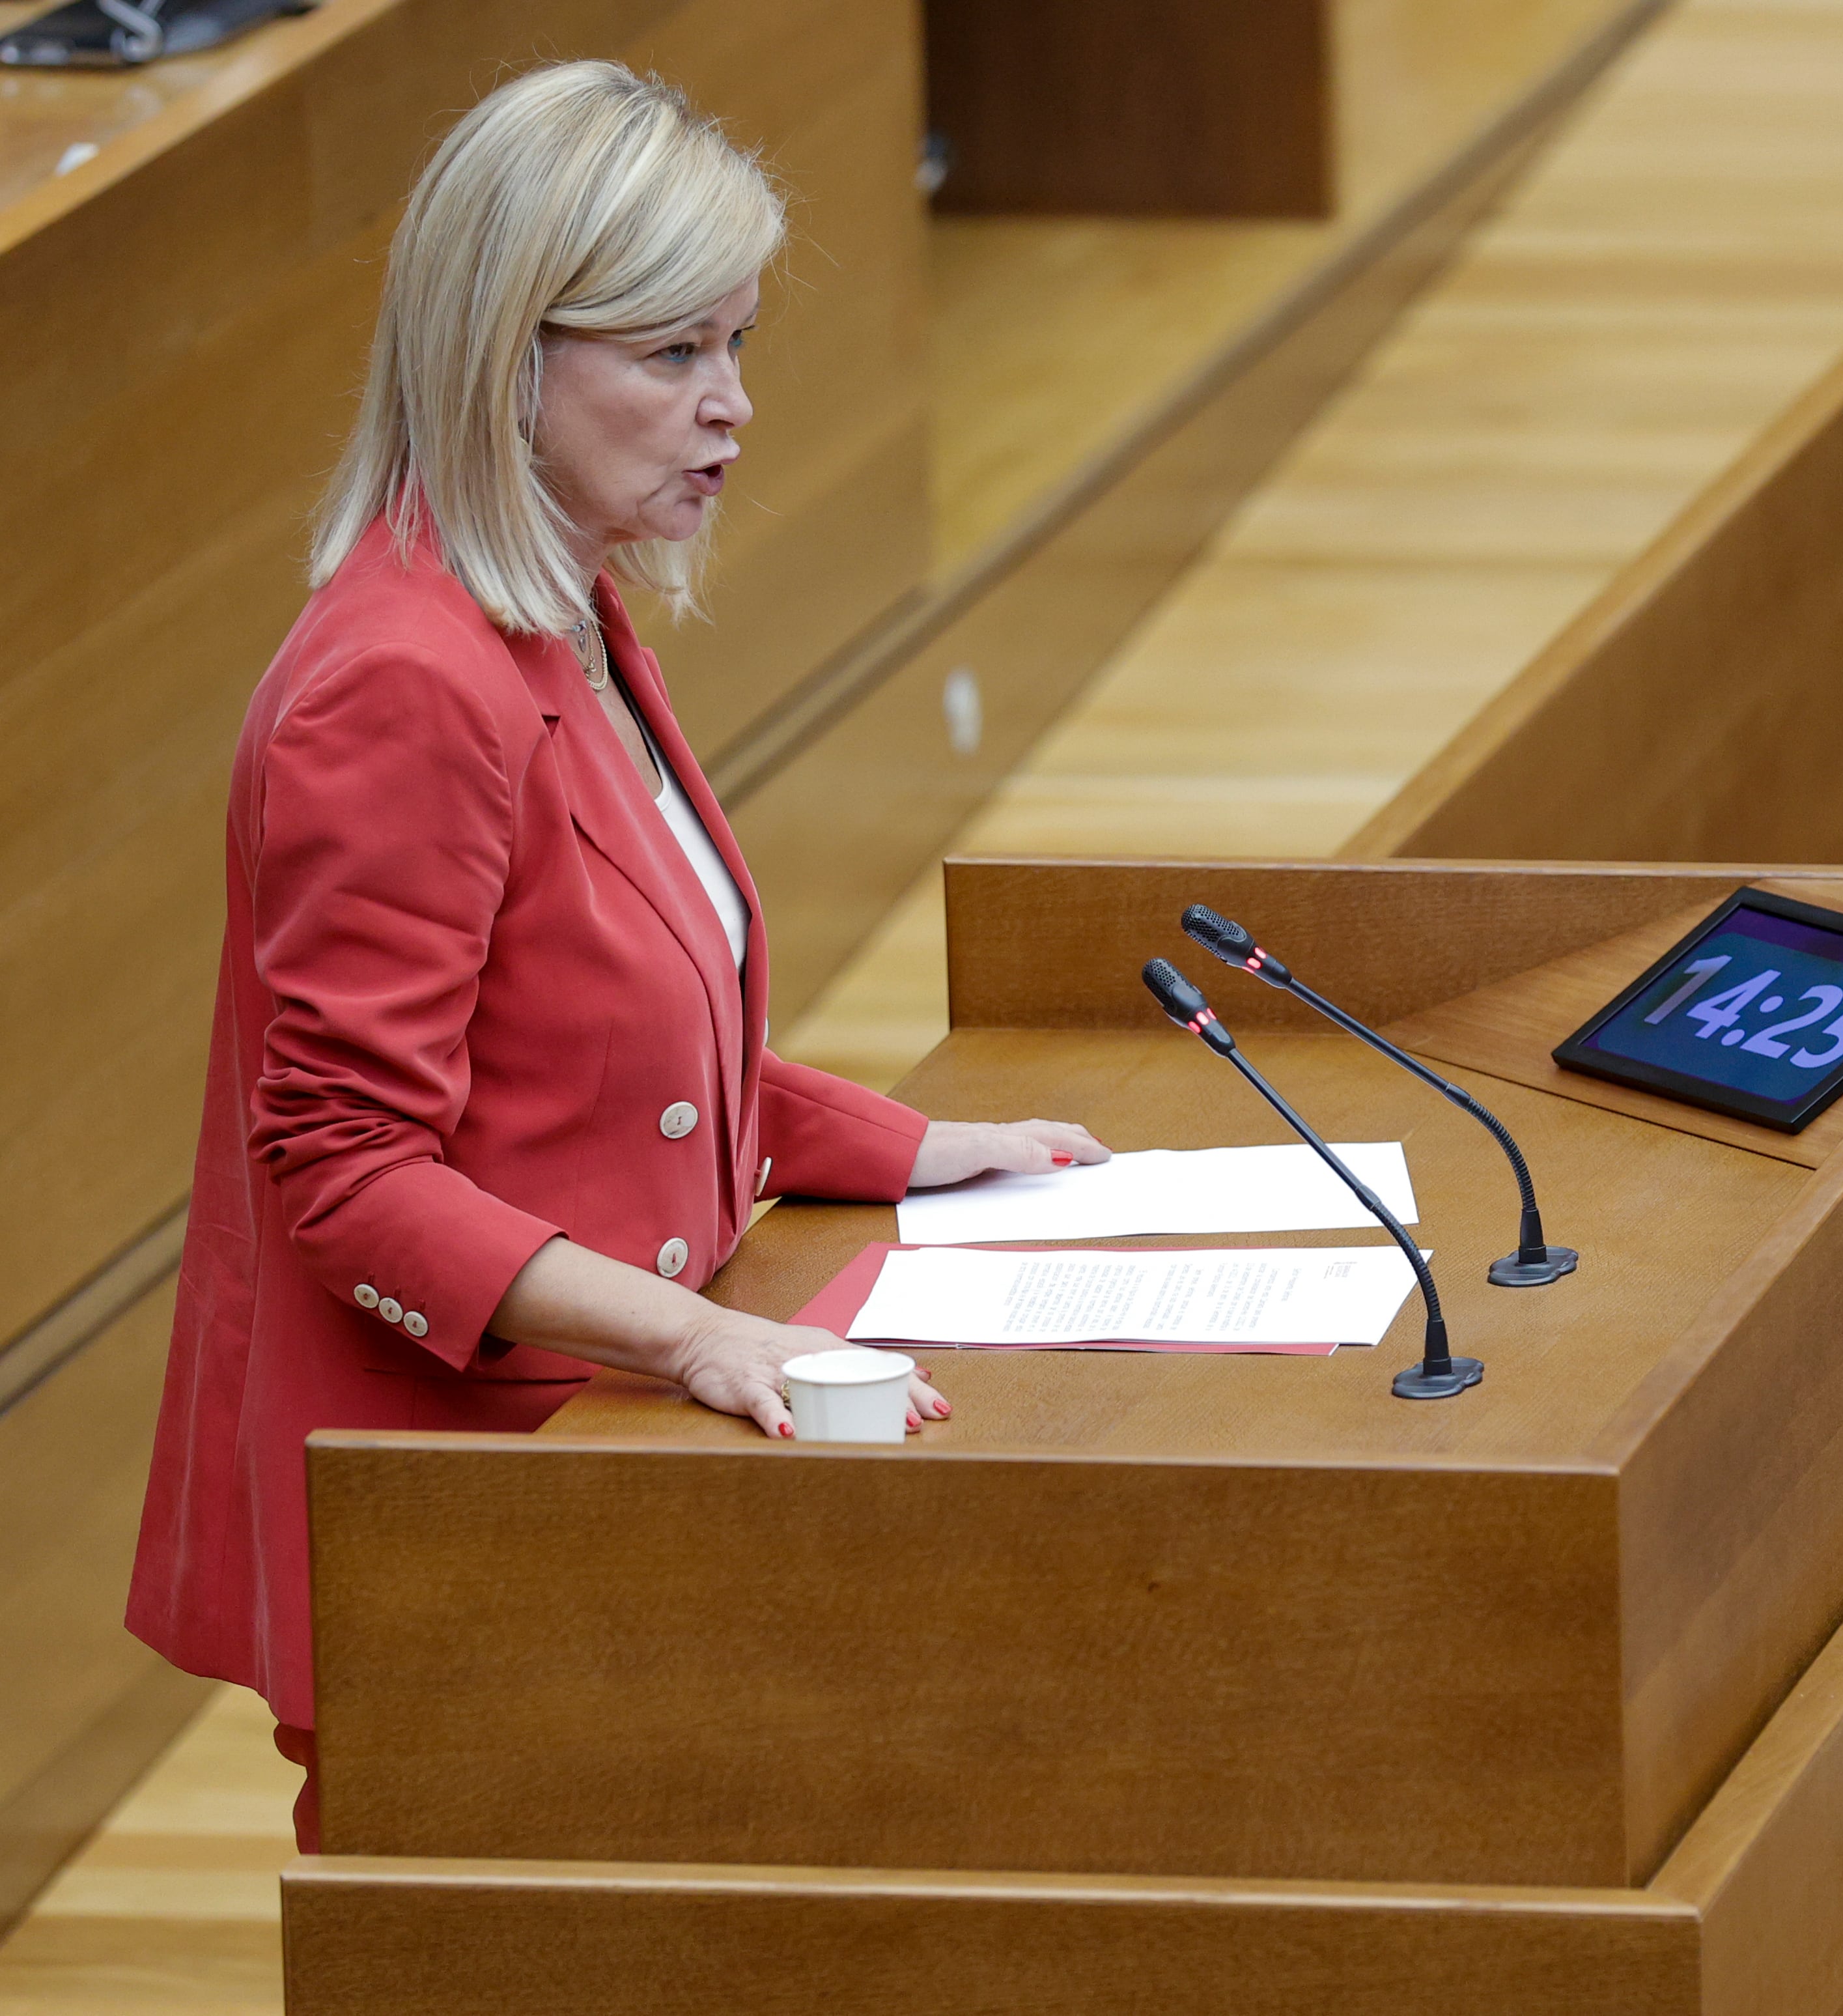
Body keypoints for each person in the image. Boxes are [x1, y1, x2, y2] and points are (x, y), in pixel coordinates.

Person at [124, 60, 1108, 1851]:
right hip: (466, 1517)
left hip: (584, 1476)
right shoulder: (401, 684)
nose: (731, 408)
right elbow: (344, 1176)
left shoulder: (554, 605)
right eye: (671, 356)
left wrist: (901, 1145)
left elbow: (597, 1046)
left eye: (735, 346)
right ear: (508, 356)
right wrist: (698, 1343)